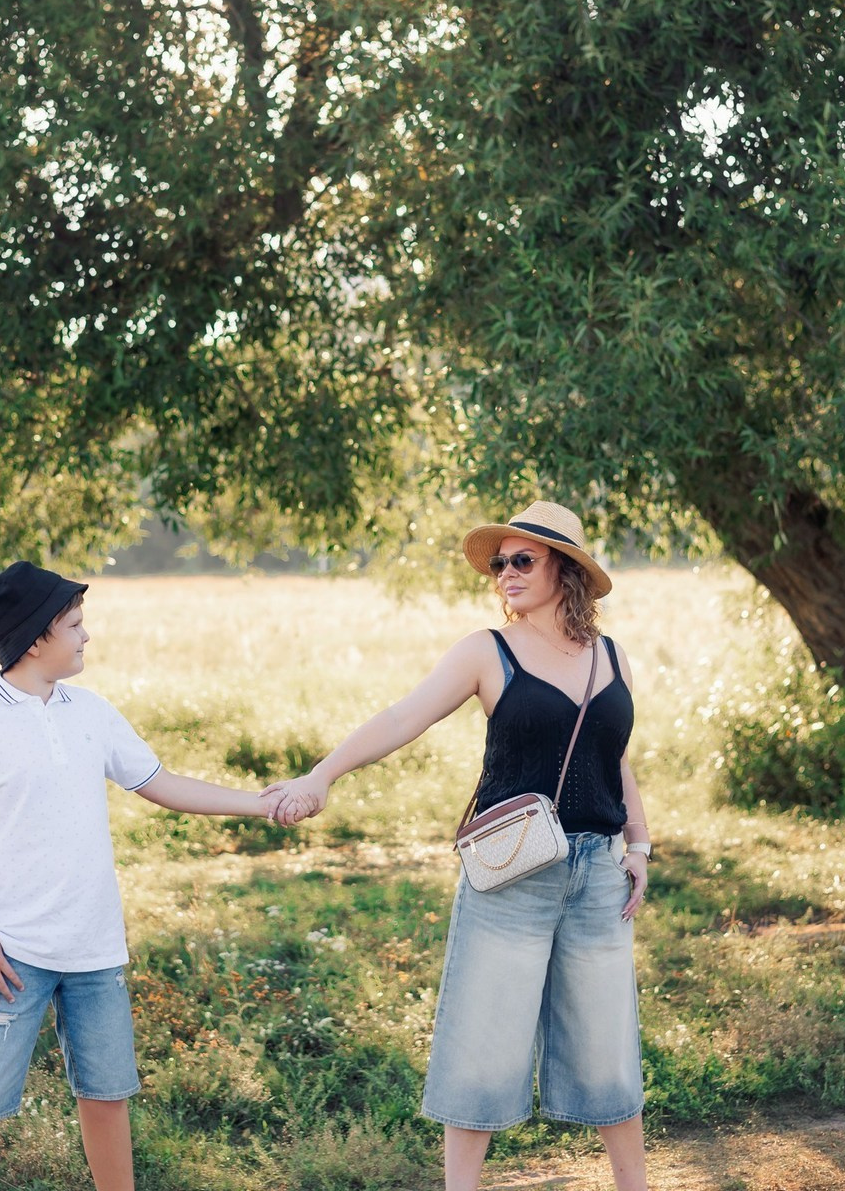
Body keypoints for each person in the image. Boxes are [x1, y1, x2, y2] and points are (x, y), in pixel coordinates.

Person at [264, 501, 652, 1191]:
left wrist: (639, 847)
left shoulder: (611, 655)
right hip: (512, 873)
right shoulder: (486, 650)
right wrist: (322, 775)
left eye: (521, 560)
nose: (504, 573)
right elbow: (402, 715)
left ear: (567, 570)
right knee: (481, 1048)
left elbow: (615, 757)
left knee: (607, 1051)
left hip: (597, 872)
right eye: (499, 563)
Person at [0, 560, 276, 1191]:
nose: (87, 637)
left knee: (107, 1096)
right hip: (11, 954)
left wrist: (261, 801)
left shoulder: (92, 713)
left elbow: (162, 785)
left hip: (95, 948)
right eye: (76, 625)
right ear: (35, 639)